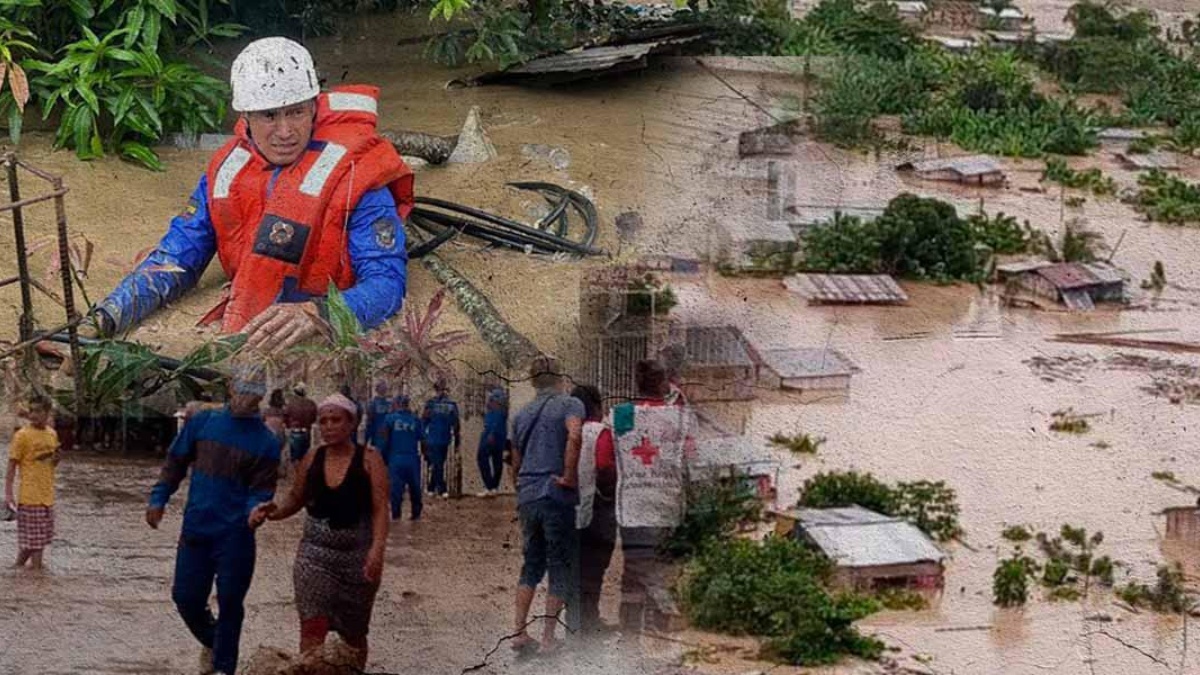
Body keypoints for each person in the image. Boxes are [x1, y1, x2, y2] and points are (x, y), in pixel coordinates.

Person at [83, 37, 413, 355]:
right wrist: (105, 318)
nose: (285, 132)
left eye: (296, 112)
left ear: (314, 108)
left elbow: (387, 284)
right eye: (269, 116)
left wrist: (318, 314)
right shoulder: (225, 174)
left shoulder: (357, 176)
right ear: (245, 118)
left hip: (322, 310)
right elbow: (175, 259)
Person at [147, 366, 281, 675]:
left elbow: (260, 490)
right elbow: (175, 463)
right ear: (231, 388)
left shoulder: (266, 442)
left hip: (236, 535)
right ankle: (214, 641)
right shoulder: (203, 422)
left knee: (231, 603)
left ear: (261, 396)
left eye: (253, 392)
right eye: (242, 390)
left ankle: (224, 668)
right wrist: (159, 498)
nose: (246, 398)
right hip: (196, 528)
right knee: (185, 597)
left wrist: (255, 511)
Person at [249, 394, 390, 670]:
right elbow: (295, 498)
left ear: (352, 423)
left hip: (357, 558)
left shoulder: (370, 460)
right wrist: (271, 513)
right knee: (312, 629)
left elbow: (381, 510)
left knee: (354, 635)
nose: (328, 426)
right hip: (314, 557)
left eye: (336, 420)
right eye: (323, 421)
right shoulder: (313, 456)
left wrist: (377, 550)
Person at [604, 359, 697, 634]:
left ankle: (632, 630)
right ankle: (662, 619)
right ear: (663, 384)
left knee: (633, 568)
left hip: (632, 506)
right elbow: (692, 459)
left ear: (637, 383)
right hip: (668, 505)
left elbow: (605, 462)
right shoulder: (679, 416)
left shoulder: (621, 414)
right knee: (664, 566)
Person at [509, 355, 583, 655]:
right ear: (559, 378)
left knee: (531, 564)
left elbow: (514, 460)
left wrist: (521, 485)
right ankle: (549, 638)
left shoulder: (520, 414)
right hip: (555, 494)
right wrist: (567, 476)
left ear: (533, 381)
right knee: (559, 565)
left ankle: (518, 632)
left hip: (527, 494)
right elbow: (575, 435)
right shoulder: (570, 404)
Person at [570, 384, 617, 635]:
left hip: (567, 508)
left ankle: (575, 622)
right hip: (595, 508)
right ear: (597, 406)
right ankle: (589, 620)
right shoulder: (600, 432)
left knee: (573, 567)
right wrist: (610, 491)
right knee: (595, 566)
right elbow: (605, 466)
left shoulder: (564, 430)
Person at [4, 396, 61, 570]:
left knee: (38, 540)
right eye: (32, 410)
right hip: (29, 496)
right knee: (36, 544)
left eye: (38, 411)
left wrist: (57, 459)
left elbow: (51, 463)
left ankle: (17, 569)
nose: (34, 414)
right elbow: (12, 465)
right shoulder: (22, 435)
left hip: (47, 496)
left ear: (47, 413)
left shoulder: (52, 434)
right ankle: (37, 576)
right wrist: (8, 494)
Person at [379, 395, 423, 521]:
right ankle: (416, 515)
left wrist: (382, 458)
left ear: (397, 404)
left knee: (396, 490)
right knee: (415, 488)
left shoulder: (389, 419)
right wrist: (428, 458)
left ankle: (396, 516)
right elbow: (423, 440)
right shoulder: (415, 420)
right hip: (412, 459)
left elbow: (384, 440)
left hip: (396, 459)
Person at [421, 379, 460, 498]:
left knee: (438, 464)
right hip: (434, 439)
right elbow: (424, 421)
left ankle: (431, 487)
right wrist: (423, 438)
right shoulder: (432, 404)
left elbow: (456, 423)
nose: (441, 391)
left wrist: (457, 438)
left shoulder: (449, 404)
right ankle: (442, 489)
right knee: (438, 463)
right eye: (440, 388)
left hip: (442, 438)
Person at [475, 387, 508, 498]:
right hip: (498, 437)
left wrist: (491, 434)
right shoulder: (500, 411)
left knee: (482, 457)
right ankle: (494, 487)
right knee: (497, 461)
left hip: (491, 436)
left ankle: (489, 486)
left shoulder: (497, 412)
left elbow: (494, 424)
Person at [285, 384, 318, 466]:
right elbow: (314, 417)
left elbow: (285, 416)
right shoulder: (311, 403)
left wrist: (288, 426)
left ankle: (296, 476)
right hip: (307, 432)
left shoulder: (290, 404)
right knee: (305, 457)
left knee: (295, 460)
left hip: (295, 432)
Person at [364, 381, 393, 449]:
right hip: (377, 433)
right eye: (382, 387)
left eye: (385, 387)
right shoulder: (372, 402)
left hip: (388, 433)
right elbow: (370, 419)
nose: (384, 388)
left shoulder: (390, 402)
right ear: (377, 389)